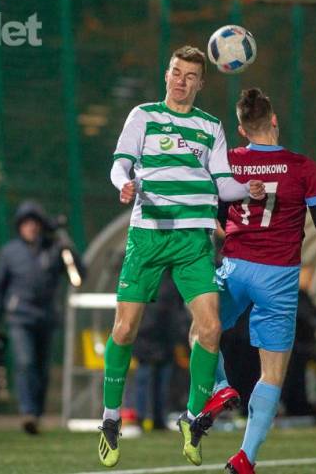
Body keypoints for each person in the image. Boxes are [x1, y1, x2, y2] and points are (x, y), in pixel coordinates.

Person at [99, 45, 266, 468]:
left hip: (193, 240)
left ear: (200, 83)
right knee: (124, 330)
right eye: (176, 72)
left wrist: (248, 190)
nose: (181, 81)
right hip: (148, 235)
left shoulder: (210, 127)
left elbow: (223, 184)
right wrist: (123, 184)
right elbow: (119, 165)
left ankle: (192, 419)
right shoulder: (143, 116)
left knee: (210, 329)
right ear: (166, 74)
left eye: (190, 76)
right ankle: (111, 418)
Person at [209, 88, 316, 474]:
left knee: (203, 331)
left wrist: (226, 235)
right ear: (274, 119)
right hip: (278, 276)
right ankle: (245, 457)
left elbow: (216, 213)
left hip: (235, 266)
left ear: (241, 129)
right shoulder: (302, 167)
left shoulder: (230, 161)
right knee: (272, 372)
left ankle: (219, 387)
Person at [0, 201, 84, 435]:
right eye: (26, 223)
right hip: (20, 317)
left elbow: (79, 275)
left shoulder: (55, 249)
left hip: (46, 318)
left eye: (35, 223)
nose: (31, 228)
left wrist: (67, 246)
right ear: (19, 226)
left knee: (42, 369)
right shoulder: (10, 252)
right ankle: (27, 411)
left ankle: (36, 414)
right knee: (25, 362)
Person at [132, 271, 185, 431]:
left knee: (150, 380)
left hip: (152, 335)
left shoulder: (145, 277)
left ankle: (147, 417)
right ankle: (153, 418)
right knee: (155, 380)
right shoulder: (172, 280)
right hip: (157, 336)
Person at [281, 266, 316, 416]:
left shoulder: (305, 297)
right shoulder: (294, 296)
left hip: (302, 347)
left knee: (301, 378)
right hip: (294, 346)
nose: (309, 280)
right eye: (306, 276)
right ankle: (292, 405)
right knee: (293, 377)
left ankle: (298, 405)